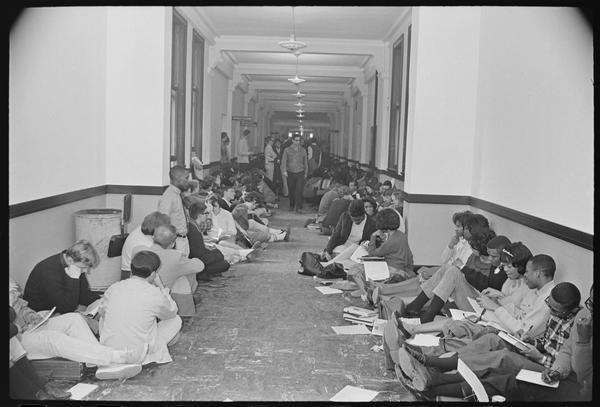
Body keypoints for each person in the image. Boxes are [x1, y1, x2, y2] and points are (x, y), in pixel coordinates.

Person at [395, 282, 582, 396]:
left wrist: (540, 357)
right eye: (549, 304)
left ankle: (433, 367)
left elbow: (567, 366)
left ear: (571, 309)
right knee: (492, 339)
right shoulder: (557, 314)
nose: (551, 311)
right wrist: (533, 343)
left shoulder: (577, 325)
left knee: (504, 357)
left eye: (556, 309)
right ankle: (433, 362)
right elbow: (547, 342)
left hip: (551, 371)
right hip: (537, 353)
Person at [11, 278, 148, 381]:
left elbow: (22, 307)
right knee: (52, 338)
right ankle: (118, 356)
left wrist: (31, 316)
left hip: (27, 328)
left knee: (74, 318)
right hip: (14, 341)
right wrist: (16, 328)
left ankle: (101, 365)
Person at [99, 250, 182, 366]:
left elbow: (102, 312)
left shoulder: (114, 288)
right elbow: (171, 312)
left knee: (104, 316)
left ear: (131, 270)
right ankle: (150, 354)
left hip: (111, 352)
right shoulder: (154, 292)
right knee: (175, 320)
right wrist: (161, 287)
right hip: (140, 353)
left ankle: (113, 349)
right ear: (153, 274)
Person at [135, 225, 204, 316]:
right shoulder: (174, 257)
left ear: (153, 238)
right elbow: (200, 266)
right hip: (159, 303)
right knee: (183, 278)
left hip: (137, 300)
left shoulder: (139, 252)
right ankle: (184, 314)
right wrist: (181, 254)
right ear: (172, 244)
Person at [346, 208, 415, 298]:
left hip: (391, 270)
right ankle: (368, 290)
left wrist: (373, 237)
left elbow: (372, 254)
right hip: (402, 270)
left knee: (354, 270)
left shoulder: (391, 241)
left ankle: (366, 292)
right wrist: (410, 272)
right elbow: (410, 256)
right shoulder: (401, 235)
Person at [24, 240, 101, 315]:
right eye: (83, 267)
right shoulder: (48, 270)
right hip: (38, 314)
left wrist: (101, 300)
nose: (86, 271)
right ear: (70, 260)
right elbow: (67, 309)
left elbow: (84, 295)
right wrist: (74, 279)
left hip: (58, 307)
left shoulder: (75, 263)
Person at [187, 201, 236, 271]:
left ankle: (241, 254)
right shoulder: (193, 229)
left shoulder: (193, 225)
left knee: (220, 253)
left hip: (199, 257)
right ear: (200, 215)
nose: (207, 215)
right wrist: (217, 254)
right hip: (198, 261)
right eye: (206, 213)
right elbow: (200, 255)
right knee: (223, 260)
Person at [158, 165, 192, 256]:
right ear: (177, 178)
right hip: (175, 242)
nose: (188, 181)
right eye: (186, 178)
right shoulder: (168, 196)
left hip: (183, 240)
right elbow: (162, 222)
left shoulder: (177, 194)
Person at [281, 134, 308, 213]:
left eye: (299, 140)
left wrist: (306, 172)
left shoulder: (303, 150)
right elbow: (283, 161)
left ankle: (299, 207)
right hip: (290, 172)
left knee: (299, 189)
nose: (298, 142)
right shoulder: (287, 150)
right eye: (296, 140)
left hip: (300, 172)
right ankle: (292, 205)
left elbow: (305, 162)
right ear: (292, 140)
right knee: (291, 189)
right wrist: (284, 171)